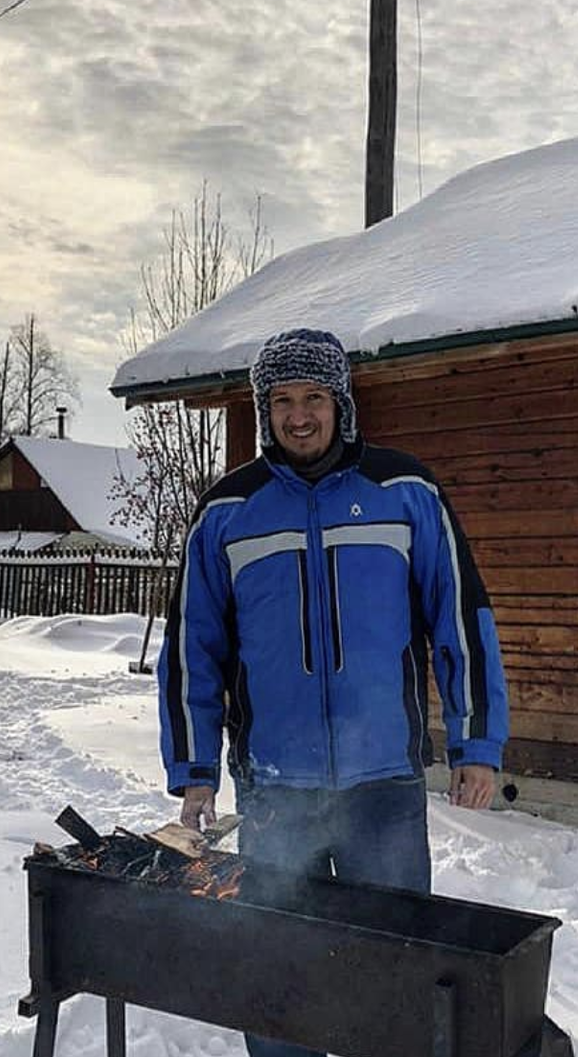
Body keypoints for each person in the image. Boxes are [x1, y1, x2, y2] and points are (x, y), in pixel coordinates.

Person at [157, 327, 508, 1057]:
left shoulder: (406, 492)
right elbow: (193, 649)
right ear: (265, 410)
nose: (299, 416)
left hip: (383, 788)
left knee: (393, 966)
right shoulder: (227, 510)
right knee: (278, 973)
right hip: (276, 790)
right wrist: (195, 769)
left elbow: (461, 621)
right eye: (282, 400)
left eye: (314, 397)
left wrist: (476, 743)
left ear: (340, 402)